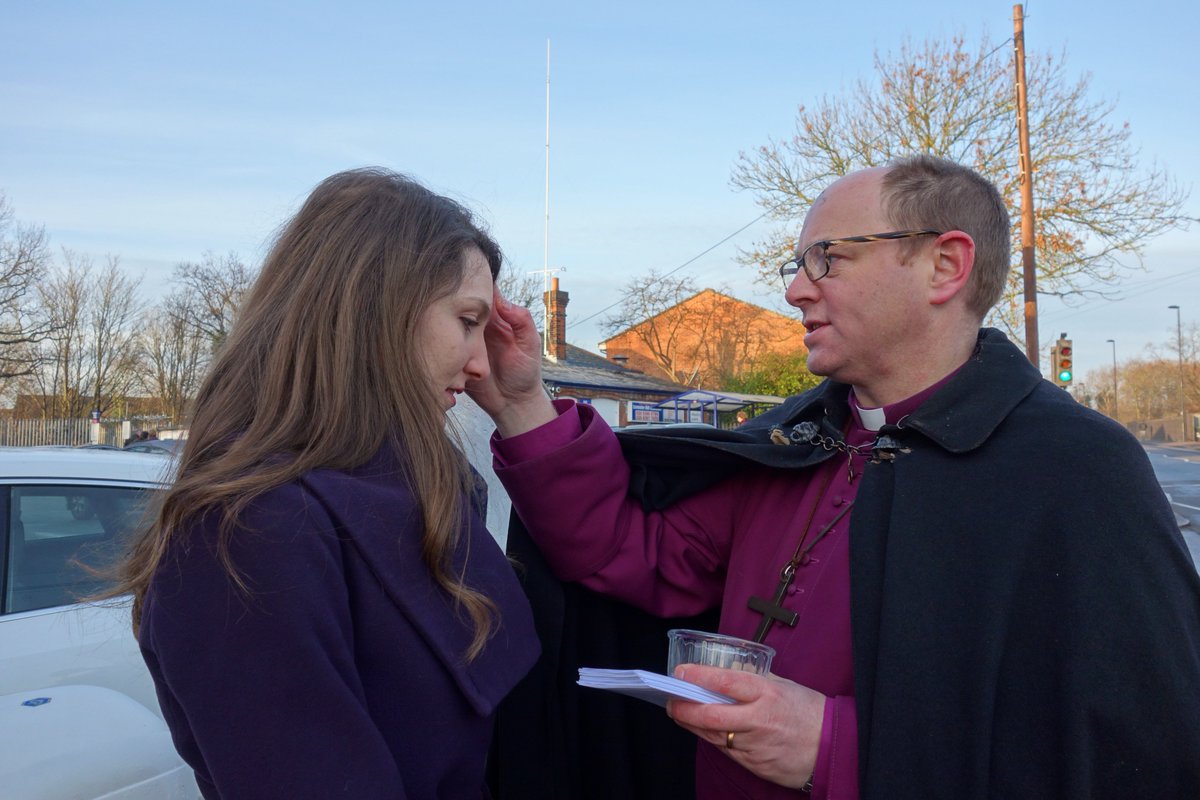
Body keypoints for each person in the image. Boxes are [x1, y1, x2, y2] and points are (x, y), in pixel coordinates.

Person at [470, 155, 1200, 798]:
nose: (796, 291)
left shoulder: (1077, 470)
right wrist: (523, 403)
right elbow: (624, 552)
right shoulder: (802, 439)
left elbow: (1128, 747)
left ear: (945, 265)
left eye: (827, 258)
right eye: (797, 265)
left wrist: (837, 747)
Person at [114, 168, 539, 799]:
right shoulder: (245, 529)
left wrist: (524, 408)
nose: (481, 364)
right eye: (467, 320)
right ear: (378, 310)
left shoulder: (430, 489)